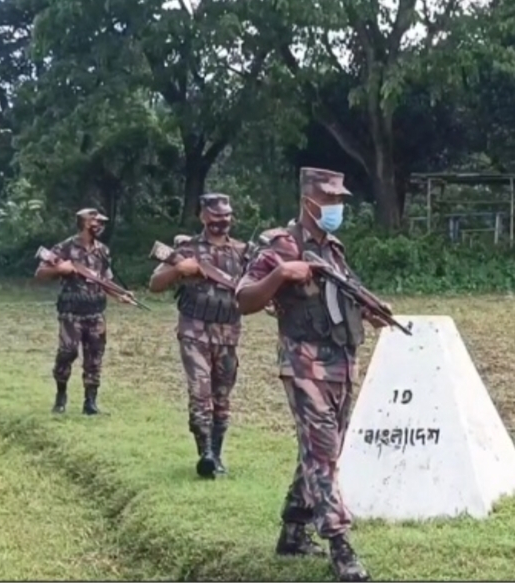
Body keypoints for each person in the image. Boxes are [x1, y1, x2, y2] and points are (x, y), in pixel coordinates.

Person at [235, 167, 387, 582]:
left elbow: (344, 294)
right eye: (331, 200)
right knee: (323, 451)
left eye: (341, 200)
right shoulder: (278, 245)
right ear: (309, 202)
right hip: (303, 364)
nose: (338, 207)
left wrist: (372, 311)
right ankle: (340, 545)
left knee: (324, 449)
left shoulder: (334, 249)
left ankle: (292, 528)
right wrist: (282, 273)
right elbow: (243, 298)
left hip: (340, 362)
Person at [149, 193, 247, 479]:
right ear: (203, 216)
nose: (222, 222)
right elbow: (155, 283)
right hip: (195, 331)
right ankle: (204, 452)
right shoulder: (186, 249)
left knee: (222, 396)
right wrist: (179, 269)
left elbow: (254, 286)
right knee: (200, 393)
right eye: (216, 217)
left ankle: (217, 453)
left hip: (229, 333)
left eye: (226, 216)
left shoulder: (243, 251)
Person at [35, 208, 134, 415]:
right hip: (71, 311)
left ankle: (90, 403)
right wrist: (60, 270)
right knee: (67, 353)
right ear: (86, 223)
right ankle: (61, 395)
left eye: (101, 223)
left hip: (96, 311)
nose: (100, 226)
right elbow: (41, 272)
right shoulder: (65, 248)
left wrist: (120, 295)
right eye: (96, 223)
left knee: (95, 357)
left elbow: (104, 280)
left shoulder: (102, 251)